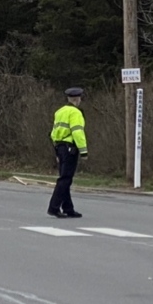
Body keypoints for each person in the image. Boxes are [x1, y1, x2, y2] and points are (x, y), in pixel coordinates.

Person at [48, 87, 88, 218]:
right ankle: (54, 207)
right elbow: (77, 131)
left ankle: (67, 208)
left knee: (65, 178)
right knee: (65, 179)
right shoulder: (75, 112)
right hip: (70, 148)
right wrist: (83, 151)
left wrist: (56, 150)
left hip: (59, 147)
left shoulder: (60, 111)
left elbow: (54, 133)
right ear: (77, 99)